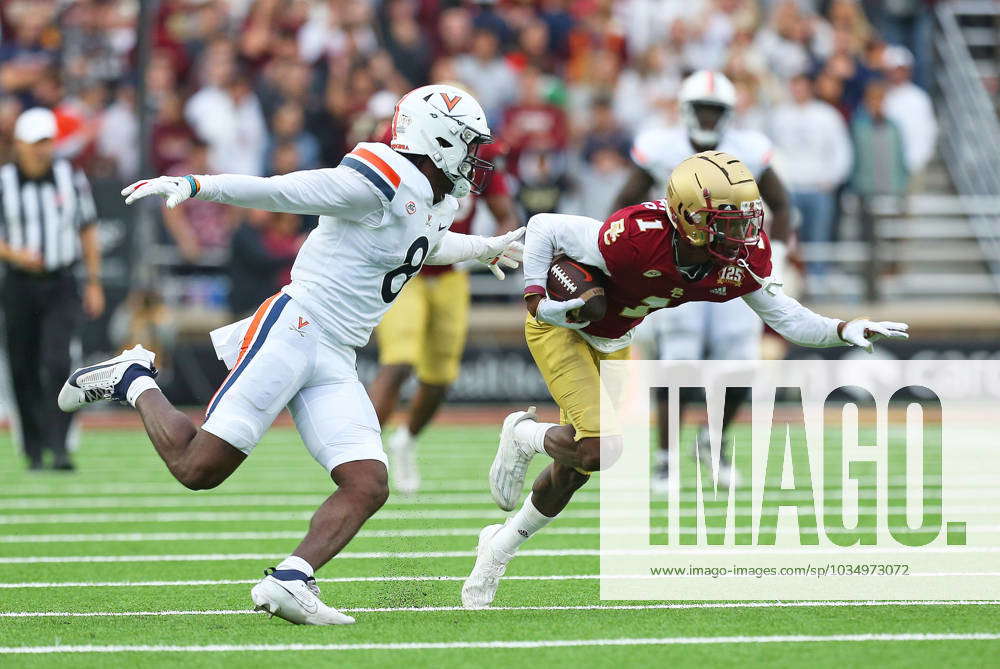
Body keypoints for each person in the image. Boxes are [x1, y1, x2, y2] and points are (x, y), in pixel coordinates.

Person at [57, 85, 524, 625]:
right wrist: (196, 184)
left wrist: (482, 248)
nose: (475, 157)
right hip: (296, 326)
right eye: (468, 144)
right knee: (198, 469)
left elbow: (424, 244)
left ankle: (292, 579)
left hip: (338, 352)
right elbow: (287, 192)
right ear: (436, 138)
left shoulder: (434, 197)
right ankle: (133, 376)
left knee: (368, 482)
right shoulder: (386, 174)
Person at [461, 151, 909, 608]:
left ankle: (497, 547)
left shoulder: (741, 257)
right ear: (687, 217)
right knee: (600, 448)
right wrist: (536, 294)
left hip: (615, 339)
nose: (742, 235)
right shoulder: (637, 237)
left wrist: (841, 329)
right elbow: (544, 227)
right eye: (727, 223)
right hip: (566, 321)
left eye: (744, 222)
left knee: (576, 471)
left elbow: (788, 319)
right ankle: (523, 434)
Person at [613, 70, 794, 489]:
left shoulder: (750, 148)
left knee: (737, 363)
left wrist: (776, 258)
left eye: (716, 111)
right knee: (678, 362)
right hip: (678, 267)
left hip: (734, 267)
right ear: (685, 111)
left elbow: (782, 206)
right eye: (702, 110)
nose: (709, 119)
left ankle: (713, 442)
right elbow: (625, 202)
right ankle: (665, 456)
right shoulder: (660, 146)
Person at [370, 139, 520, 494]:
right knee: (400, 361)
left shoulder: (482, 156)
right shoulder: (404, 148)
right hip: (406, 270)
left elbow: (503, 212)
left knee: (441, 377)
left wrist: (500, 243)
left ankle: (405, 439)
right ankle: (365, 453)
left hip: (451, 271)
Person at [0, 107, 103, 471]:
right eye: (35, 143)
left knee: (57, 360)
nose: (42, 149)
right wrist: (14, 254)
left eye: (47, 142)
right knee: (22, 365)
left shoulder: (70, 177)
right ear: (20, 145)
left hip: (61, 281)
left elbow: (88, 230)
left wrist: (93, 281)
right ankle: (33, 449)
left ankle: (59, 447)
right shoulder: (4, 181)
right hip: (18, 284)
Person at [769, 73, 852, 275]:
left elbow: (841, 150)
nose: (799, 91)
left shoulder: (827, 115)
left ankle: (818, 277)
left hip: (818, 187)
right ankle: (785, 278)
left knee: (818, 237)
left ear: (810, 88)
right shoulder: (779, 116)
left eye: (803, 86)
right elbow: (770, 150)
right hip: (788, 187)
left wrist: (832, 179)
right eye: (795, 86)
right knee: (784, 238)